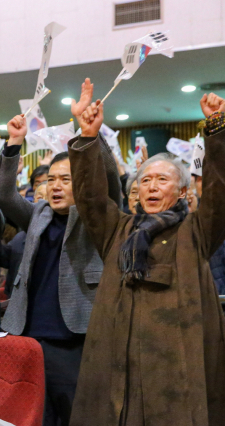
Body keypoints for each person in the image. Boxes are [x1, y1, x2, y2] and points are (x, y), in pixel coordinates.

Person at [67, 88, 225, 426]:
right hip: (117, 362)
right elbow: (90, 197)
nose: (151, 186)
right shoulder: (118, 230)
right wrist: (88, 136)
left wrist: (217, 129)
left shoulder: (197, 231)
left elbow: (219, 189)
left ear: (183, 191)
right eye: (145, 180)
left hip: (176, 369)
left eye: (162, 180)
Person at [0, 82, 122, 426]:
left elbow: (109, 182)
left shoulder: (97, 218)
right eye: (51, 179)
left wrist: (89, 136)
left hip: (76, 338)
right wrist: (14, 144)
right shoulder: (38, 213)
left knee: (77, 416)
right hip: (30, 335)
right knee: (35, 416)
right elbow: (4, 195)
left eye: (66, 179)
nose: (56, 186)